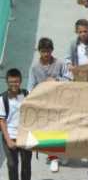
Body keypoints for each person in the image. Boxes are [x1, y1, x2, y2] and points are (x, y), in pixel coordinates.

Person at [27, 37, 71, 172]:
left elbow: (69, 79)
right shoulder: (34, 67)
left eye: (48, 51)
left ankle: (61, 153)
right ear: (39, 52)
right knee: (48, 130)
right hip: (43, 104)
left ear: (52, 50)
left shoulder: (60, 63)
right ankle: (53, 158)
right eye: (43, 51)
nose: (46, 54)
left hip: (59, 102)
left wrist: (56, 80)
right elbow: (30, 86)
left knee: (61, 129)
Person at [0, 68, 32, 180]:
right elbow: (2, 121)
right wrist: (8, 140)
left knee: (26, 165)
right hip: (10, 136)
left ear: (21, 81)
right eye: (11, 82)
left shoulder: (25, 94)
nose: (14, 84)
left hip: (25, 136)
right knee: (12, 165)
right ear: (7, 82)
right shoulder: (2, 99)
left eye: (17, 81)